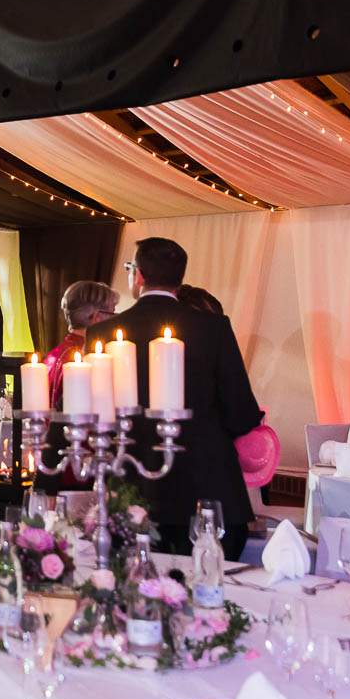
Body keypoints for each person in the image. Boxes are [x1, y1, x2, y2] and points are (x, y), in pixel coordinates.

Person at [88, 238, 262, 558]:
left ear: (138, 276)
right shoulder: (214, 328)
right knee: (208, 594)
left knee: (132, 594)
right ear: (179, 279)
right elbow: (241, 412)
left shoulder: (104, 333)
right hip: (207, 489)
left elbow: (89, 414)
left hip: (133, 491)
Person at [45, 279, 117, 410]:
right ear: (97, 317)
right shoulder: (90, 359)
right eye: (113, 313)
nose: (114, 320)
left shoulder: (53, 355)